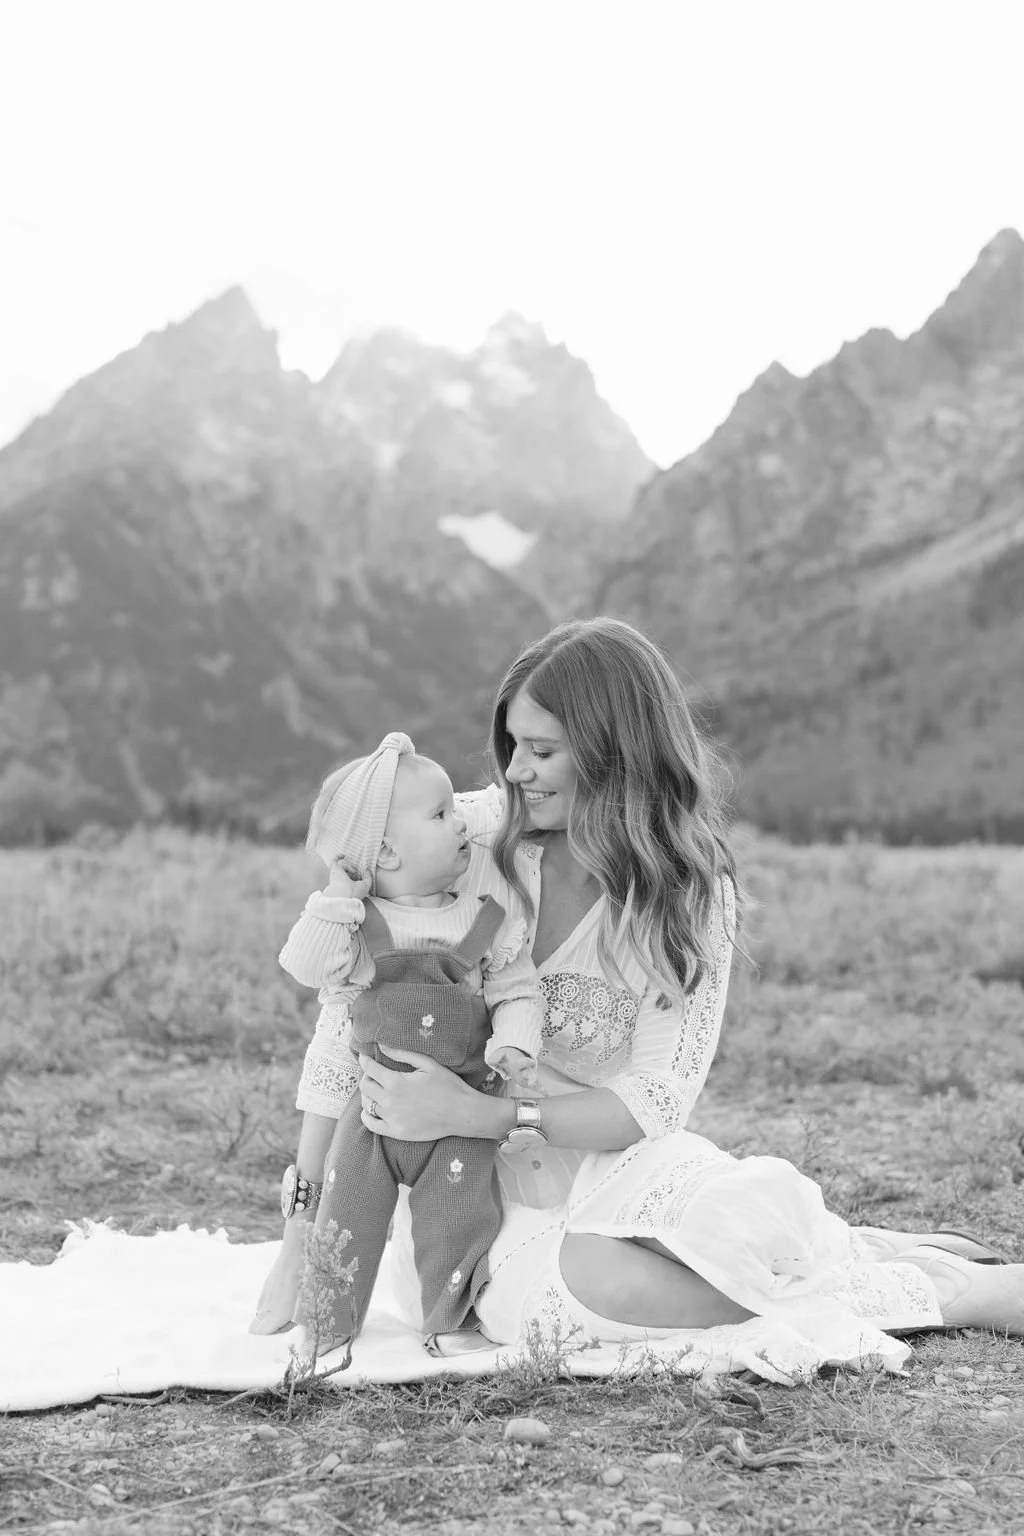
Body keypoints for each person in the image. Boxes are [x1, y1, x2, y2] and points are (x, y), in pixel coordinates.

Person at [252, 618, 1023, 1364]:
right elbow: (345, 1013)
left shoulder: (689, 895)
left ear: (614, 754)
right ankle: (926, 1285)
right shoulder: (475, 838)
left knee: (733, 1222)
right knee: (596, 1289)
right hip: (476, 1192)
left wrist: (486, 1111)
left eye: (542, 750)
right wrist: (303, 1224)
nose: (513, 771)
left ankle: (909, 1275)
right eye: (512, 745)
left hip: (606, 1157)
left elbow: (656, 1100)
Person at [274, 731, 543, 1354]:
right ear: (387, 854)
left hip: (458, 1110)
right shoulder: (358, 928)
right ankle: (326, 1320)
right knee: (349, 1213)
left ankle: (450, 1319)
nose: (461, 828)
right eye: (442, 815)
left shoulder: (485, 917)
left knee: (459, 1215)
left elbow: (516, 986)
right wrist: (340, 891)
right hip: (370, 1117)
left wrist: (514, 1043)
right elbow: (304, 964)